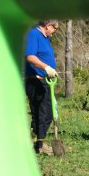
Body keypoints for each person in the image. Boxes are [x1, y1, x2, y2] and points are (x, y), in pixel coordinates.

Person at [24, 20, 59, 154]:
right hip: (35, 81)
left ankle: (37, 142)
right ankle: (39, 144)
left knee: (45, 113)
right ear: (48, 25)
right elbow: (30, 57)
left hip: (45, 81)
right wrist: (46, 67)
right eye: (54, 28)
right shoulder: (34, 34)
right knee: (42, 113)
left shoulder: (46, 39)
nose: (54, 31)